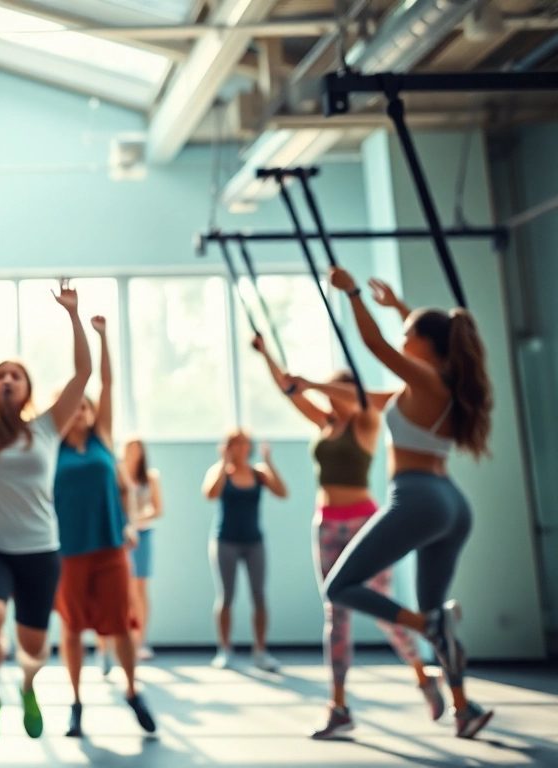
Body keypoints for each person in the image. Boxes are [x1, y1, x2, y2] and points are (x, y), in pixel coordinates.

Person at [322, 270, 495, 739]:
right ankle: (463, 709)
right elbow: (371, 396)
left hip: (418, 498)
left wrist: (353, 295)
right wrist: (402, 309)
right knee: (435, 609)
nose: (401, 340)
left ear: (423, 343)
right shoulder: (443, 383)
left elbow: (378, 347)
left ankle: (429, 626)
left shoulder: (427, 379)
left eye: (407, 334)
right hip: (450, 505)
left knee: (338, 587)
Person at [252, 334, 444, 739]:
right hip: (326, 523)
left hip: (362, 523)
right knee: (335, 613)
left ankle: (421, 673)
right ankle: (338, 706)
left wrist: (314, 384)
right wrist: (268, 353)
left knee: (380, 609)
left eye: (337, 393)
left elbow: (352, 395)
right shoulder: (324, 424)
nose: (331, 401)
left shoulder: (367, 420)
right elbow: (289, 391)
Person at [0, 281, 90, 747]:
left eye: (16, 375)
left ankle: (28, 685)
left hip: (39, 549)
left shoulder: (50, 428)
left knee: (34, 648)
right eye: (0, 375)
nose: (8, 380)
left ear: (27, 387)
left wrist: (73, 315)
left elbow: (82, 375)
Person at [54, 314, 155, 738]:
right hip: (68, 552)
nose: (80, 410)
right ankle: (76, 702)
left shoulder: (102, 442)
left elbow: (108, 384)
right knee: (73, 629)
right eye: (72, 404)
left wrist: (102, 336)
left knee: (122, 626)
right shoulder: (51, 448)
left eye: (85, 405)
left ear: (92, 411)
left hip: (110, 547)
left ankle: (133, 691)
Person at [201, 430, 288, 672]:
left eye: (244, 444)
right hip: (224, 541)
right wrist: (223, 463)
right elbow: (209, 494)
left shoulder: (259, 474)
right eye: (235, 444)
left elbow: (282, 492)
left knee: (259, 596)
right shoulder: (221, 472)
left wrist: (269, 462)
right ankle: (225, 650)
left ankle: (260, 651)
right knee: (226, 596)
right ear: (228, 447)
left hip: (254, 542)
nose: (241, 448)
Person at [120, 436, 162, 662]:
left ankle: (140, 641)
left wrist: (137, 518)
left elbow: (158, 508)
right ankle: (119, 641)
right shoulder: (118, 474)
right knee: (122, 589)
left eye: (138, 448)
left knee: (140, 588)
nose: (134, 452)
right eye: (130, 447)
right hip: (122, 536)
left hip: (143, 535)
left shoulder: (151, 477)